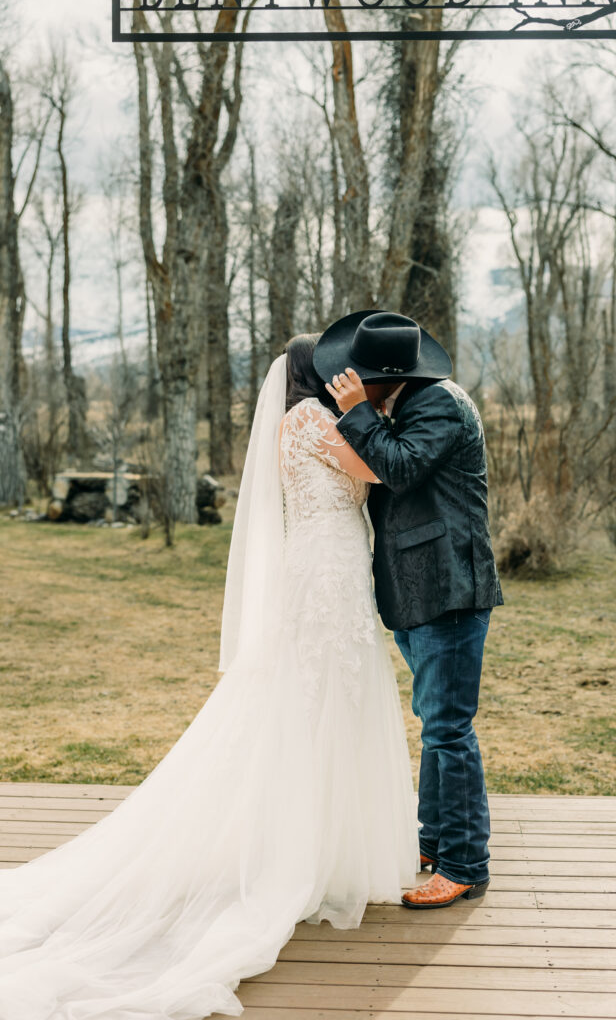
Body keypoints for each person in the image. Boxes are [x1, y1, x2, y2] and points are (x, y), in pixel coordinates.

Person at [0, 336, 419, 1019]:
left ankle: (325, 844)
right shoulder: (312, 419)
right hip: (326, 567)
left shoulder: (296, 421)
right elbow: (372, 473)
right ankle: (302, 851)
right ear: (316, 375)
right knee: (319, 699)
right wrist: (370, 415)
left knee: (323, 699)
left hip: (328, 561)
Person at [315, 309, 504, 909]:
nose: (345, 382)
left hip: (448, 588)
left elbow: (397, 469)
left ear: (383, 377)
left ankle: (465, 865)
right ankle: (433, 841)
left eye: (356, 376)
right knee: (437, 724)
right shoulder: (410, 401)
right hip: (423, 590)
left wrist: (355, 415)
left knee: (449, 730)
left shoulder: (438, 404)